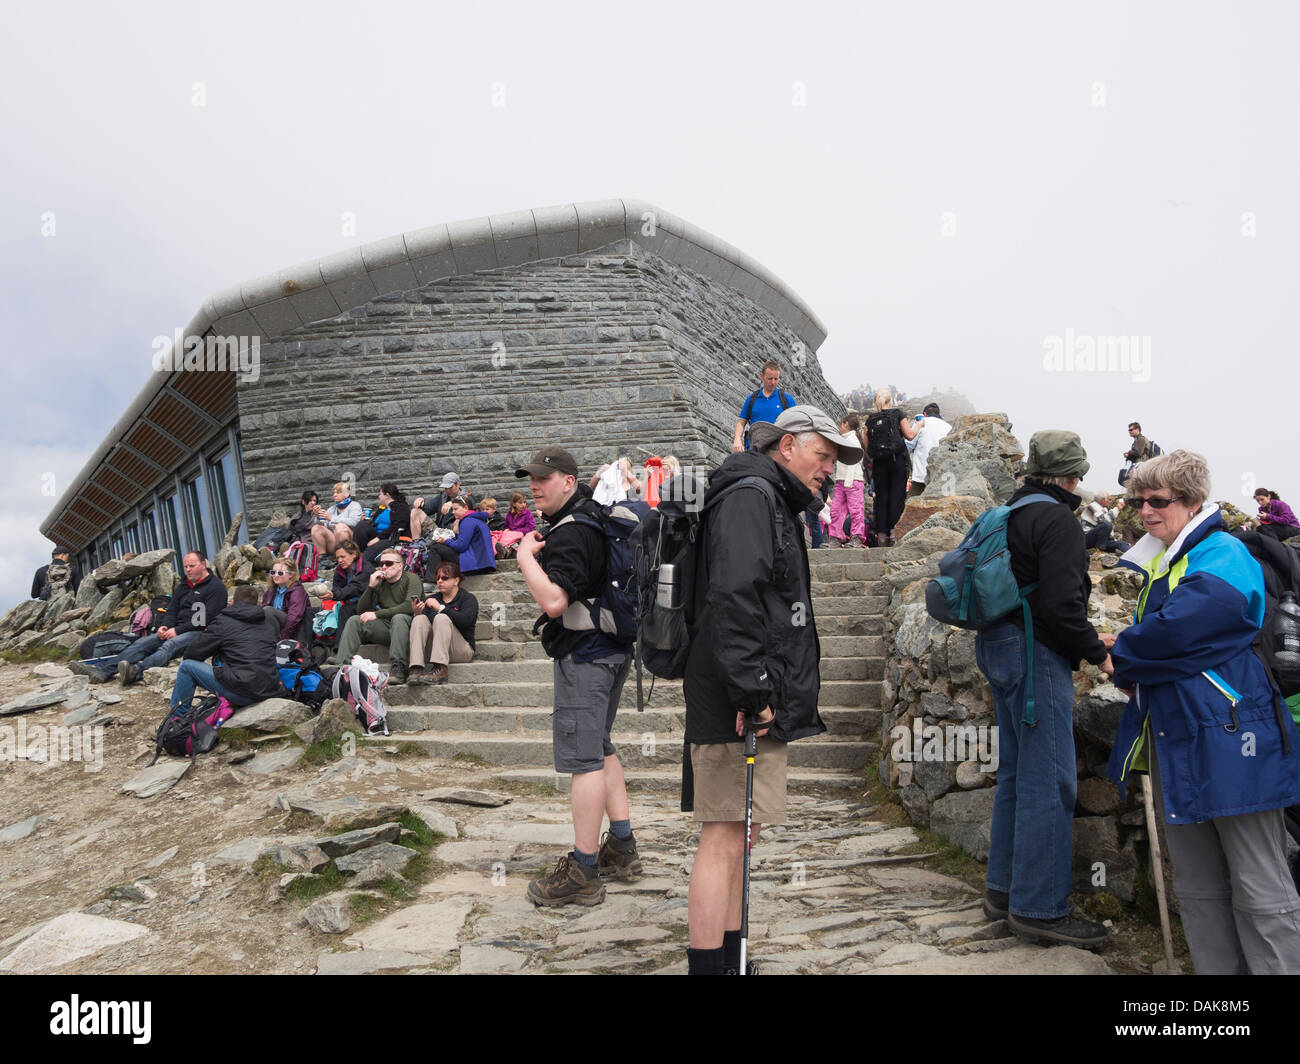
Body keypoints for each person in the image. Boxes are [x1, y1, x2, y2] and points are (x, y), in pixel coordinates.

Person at [1106, 452, 1300, 973]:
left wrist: (1121, 652)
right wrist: (1130, 647)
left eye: (1158, 501)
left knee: (1259, 881)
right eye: (1137, 500)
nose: (1144, 511)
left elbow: (1186, 628)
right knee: (1197, 884)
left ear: (1192, 502)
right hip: (1182, 732)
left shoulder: (1223, 555)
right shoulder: (1171, 557)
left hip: (1235, 735)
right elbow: (1173, 640)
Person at [684, 405, 860, 974]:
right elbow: (734, 597)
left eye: (835, 460)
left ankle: (730, 961)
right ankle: (710, 968)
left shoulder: (764, 497)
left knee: (739, 831)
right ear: (788, 445)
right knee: (723, 834)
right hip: (737, 697)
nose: (830, 469)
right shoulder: (751, 497)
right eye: (824, 454)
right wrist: (752, 693)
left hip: (749, 691)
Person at [977, 431, 1116, 948]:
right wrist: (1098, 652)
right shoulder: (1057, 518)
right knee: (1050, 777)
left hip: (998, 645)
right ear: (1073, 475)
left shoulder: (1011, 510)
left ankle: (1003, 892)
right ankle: (1041, 909)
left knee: (1015, 772)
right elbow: (1061, 606)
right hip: (1035, 653)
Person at [515, 446, 641, 906]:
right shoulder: (594, 515)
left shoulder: (569, 534)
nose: (534, 486)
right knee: (601, 746)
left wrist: (525, 556)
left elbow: (554, 602)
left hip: (586, 656)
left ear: (568, 482)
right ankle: (622, 847)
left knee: (584, 759)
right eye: (531, 478)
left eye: (544, 478)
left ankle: (584, 870)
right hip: (612, 649)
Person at [70, 551, 228, 684]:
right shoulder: (184, 585)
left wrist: (176, 631)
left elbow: (202, 620)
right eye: (186, 566)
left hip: (201, 633)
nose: (187, 570)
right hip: (177, 629)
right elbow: (172, 610)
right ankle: (103, 671)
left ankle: (135, 672)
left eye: (192, 566)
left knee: (169, 646)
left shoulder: (215, 588)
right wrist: (164, 626)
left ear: (203, 565)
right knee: (141, 643)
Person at [169, 586, 283, 715]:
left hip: (243, 691)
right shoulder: (269, 619)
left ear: (233, 602)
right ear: (257, 603)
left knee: (186, 667)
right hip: (269, 688)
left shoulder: (223, 621)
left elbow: (193, 653)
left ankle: (176, 720)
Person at [331, 547, 421, 683]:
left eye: (389, 563)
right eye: (381, 564)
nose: (384, 567)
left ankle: (399, 667)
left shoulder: (411, 578)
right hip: (386, 628)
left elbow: (409, 606)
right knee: (355, 620)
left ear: (400, 566)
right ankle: (342, 667)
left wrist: (378, 614)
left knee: (399, 618)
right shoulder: (380, 582)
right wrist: (371, 587)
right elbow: (362, 611)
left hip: (409, 627)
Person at [408, 560, 478, 685]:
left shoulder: (468, 599)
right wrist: (416, 613)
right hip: (435, 649)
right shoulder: (432, 598)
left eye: (445, 578)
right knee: (419, 619)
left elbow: (465, 622)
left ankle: (440, 668)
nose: (440, 581)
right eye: (438, 578)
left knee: (441, 618)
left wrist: (440, 608)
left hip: (461, 650)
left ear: (456, 581)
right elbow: (423, 628)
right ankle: (416, 668)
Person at [865, 389, 919, 546]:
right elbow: (909, 435)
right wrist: (919, 425)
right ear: (890, 399)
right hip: (897, 462)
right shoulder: (898, 413)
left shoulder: (870, 419)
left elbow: (866, 447)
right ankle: (894, 532)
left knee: (881, 498)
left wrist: (876, 458)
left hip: (879, 464)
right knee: (897, 496)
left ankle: (881, 535)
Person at [732, 360, 795, 453]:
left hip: (777, 452)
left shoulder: (786, 399)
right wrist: (737, 439)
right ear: (762, 376)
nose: (773, 382)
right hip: (753, 451)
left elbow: (796, 424)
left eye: (776, 379)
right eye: (770, 378)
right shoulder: (752, 398)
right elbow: (741, 422)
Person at [428, 496, 496, 575]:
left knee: (436, 548)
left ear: (466, 507)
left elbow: (461, 546)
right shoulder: (477, 519)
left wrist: (446, 540)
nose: (453, 512)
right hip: (485, 564)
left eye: (455, 509)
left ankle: (431, 581)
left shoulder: (467, 521)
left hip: (475, 565)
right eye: (452, 509)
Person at [828, 413, 868, 547]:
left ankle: (857, 537)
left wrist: (849, 482)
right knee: (835, 510)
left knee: (856, 510)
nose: (839, 427)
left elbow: (854, 461)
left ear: (846, 424)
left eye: (840, 424)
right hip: (841, 480)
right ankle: (835, 536)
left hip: (853, 480)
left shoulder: (853, 440)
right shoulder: (843, 439)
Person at [352, 483, 412, 563]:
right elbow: (374, 525)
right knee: (361, 526)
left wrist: (378, 538)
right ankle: (356, 554)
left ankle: (359, 563)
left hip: (390, 538)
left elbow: (398, 525)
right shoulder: (381, 509)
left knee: (374, 547)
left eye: (380, 494)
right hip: (376, 536)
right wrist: (365, 522)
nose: (379, 496)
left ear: (387, 495)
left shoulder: (401, 507)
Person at [411, 472, 474, 540]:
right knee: (415, 512)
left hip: (453, 533)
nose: (448, 490)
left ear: (458, 484)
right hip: (438, 530)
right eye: (445, 488)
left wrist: (452, 502)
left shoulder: (468, 497)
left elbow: (470, 508)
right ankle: (416, 543)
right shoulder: (442, 497)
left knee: (459, 522)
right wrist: (420, 501)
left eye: (450, 487)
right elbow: (427, 509)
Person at [907, 403, 952, 497]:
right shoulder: (948, 427)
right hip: (941, 476)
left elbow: (908, 445)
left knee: (911, 504)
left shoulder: (921, 423)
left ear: (925, 414)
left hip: (921, 476)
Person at [261, 557, 310, 641]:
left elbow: (294, 619)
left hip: (293, 631)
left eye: (280, 573)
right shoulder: (271, 590)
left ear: (291, 574)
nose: (275, 576)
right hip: (275, 628)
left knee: (268, 611)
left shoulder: (297, 591)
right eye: (273, 572)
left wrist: (282, 639)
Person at [310, 482, 363, 557]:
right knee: (316, 528)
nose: (334, 495)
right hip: (334, 543)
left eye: (338, 493)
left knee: (340, 527)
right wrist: (317, 516)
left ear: (347, 494)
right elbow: (324, 526)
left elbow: (355, 522)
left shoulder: (355, 505)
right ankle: (322, 559)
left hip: (350, 543)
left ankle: (343, 556)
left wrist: (332, 518)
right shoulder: (331, 509)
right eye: (334, 493)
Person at [329, 540, 372, 632]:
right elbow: (336, 588)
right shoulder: (340, 571)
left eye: (343, 556)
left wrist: (333, 595)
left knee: (345, 610)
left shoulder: (367, 569)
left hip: (368, 606)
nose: (340, 560)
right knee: (311, 612)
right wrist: (333, 594)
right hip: (349, 605)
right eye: (338, 558)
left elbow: (355, 588)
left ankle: (339, 645)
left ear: (354, 554)